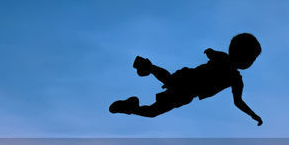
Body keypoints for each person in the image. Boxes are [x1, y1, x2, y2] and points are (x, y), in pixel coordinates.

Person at [109, 32, 264, 125]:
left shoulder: (224, 59)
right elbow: (238, 102)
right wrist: (252, 115)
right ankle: (131, 107)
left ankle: (148, 68)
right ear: (247, 59)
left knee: (169, 80)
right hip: (189, 91)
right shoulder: (235, 79)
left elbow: (212, 53)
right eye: (253, 59)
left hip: (187, 78)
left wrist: (210, 52)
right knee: (152, 111)